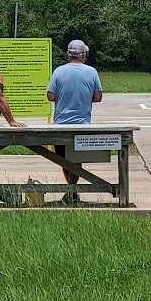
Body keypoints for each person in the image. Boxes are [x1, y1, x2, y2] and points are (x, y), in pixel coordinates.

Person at [46, 39, 103, 204]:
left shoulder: (58, 71)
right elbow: (98, 97)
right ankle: (72, 191)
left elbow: (50, 96)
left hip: (61, 123)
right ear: (83, 54)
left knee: (63, 159)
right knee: (77, 159)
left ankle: (70, 191)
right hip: (82, 124)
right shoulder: (91, 72)